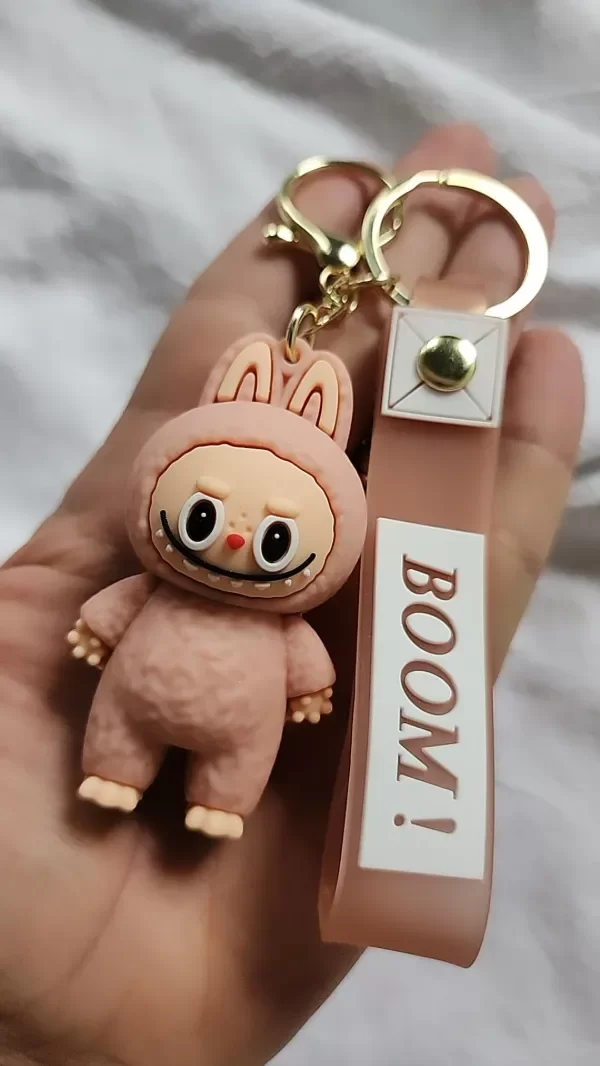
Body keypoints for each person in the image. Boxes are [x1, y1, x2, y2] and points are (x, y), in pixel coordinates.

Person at [0, 125, 584, 1066]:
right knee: (120, 744)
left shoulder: (289, 613)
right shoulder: (155, 577)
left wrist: (312, 688)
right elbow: (118, 603)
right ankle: (118, 772)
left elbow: (304, 657)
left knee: (233, 767)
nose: (235, 540)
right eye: (207, 519)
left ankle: (219, 799)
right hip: (127, 714)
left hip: (246, 733)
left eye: (273, 537)